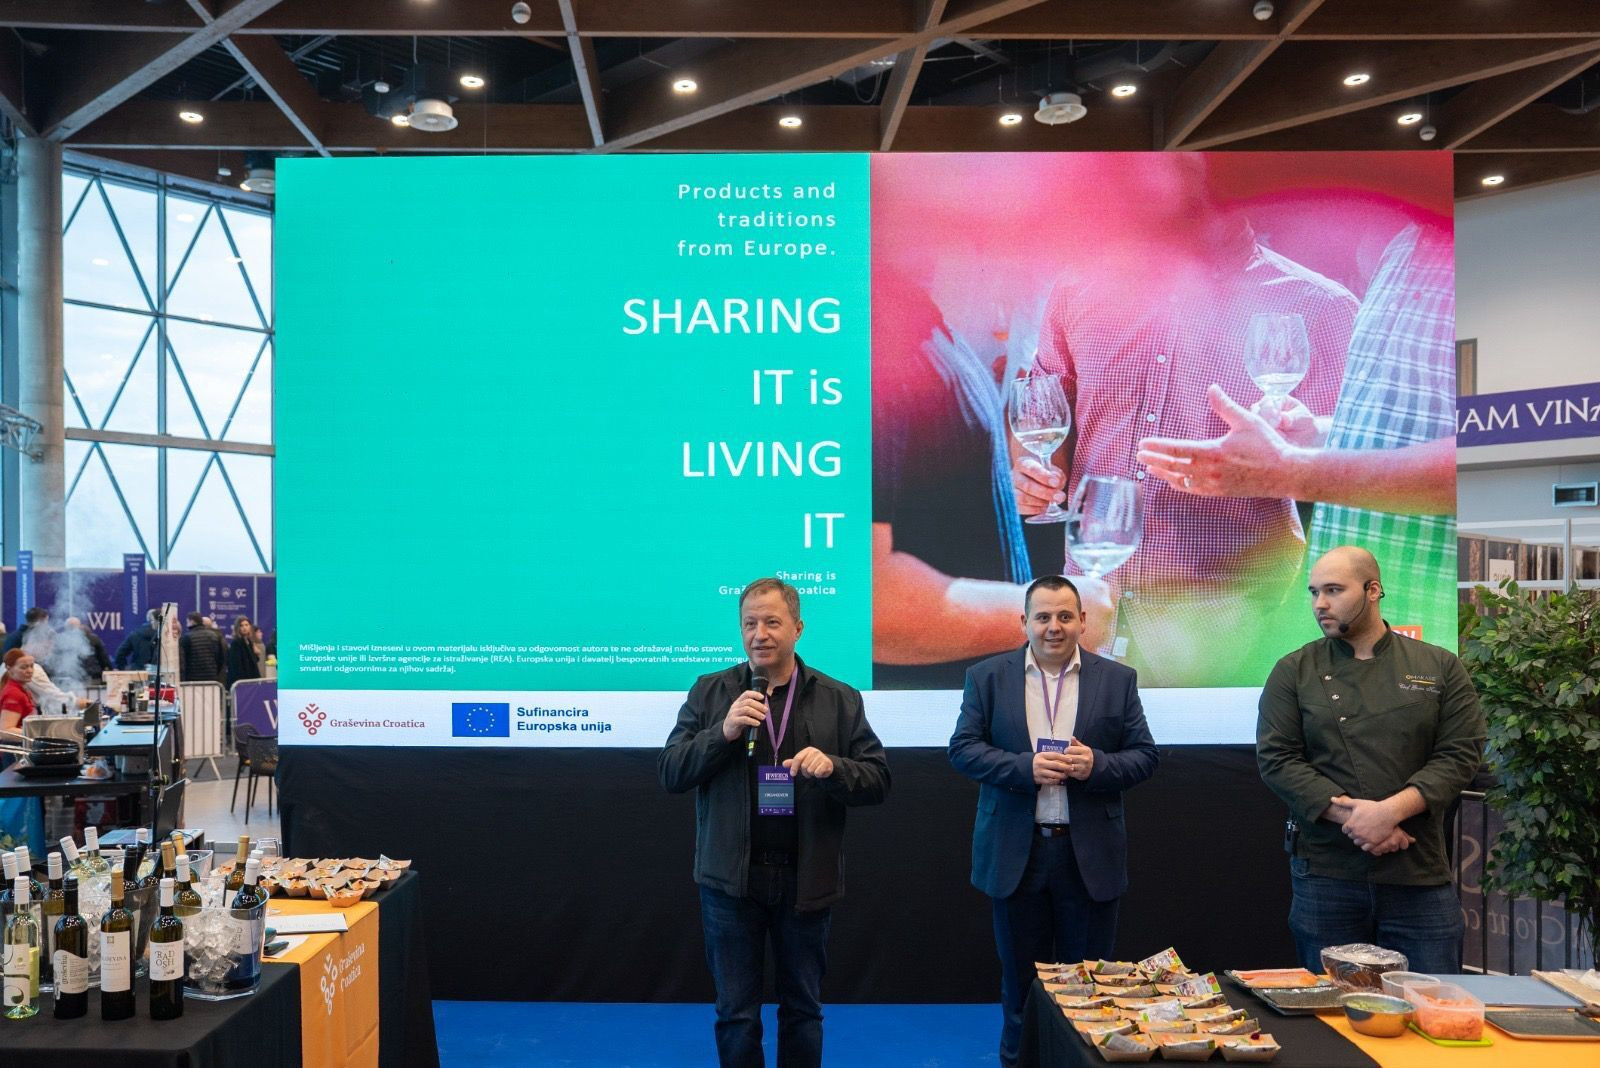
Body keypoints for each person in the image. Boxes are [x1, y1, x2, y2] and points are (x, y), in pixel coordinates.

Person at [1011, 155, 1357, 686]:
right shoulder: (1079, 287)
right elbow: (1044, 410)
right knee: (1083, 739)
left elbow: (1354, 460)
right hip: (1090, 598)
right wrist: (1033, 476)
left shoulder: (1318, 305)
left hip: (1228, 612)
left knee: (1213, 744)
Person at [1136, 223, 1458, 643]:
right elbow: (1403, 424)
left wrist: (1289, 470)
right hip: (1359, 616)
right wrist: (1317, 434)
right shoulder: (1404, 247)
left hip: (1430, 607)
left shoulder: (1471, 249)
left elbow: (1485, 457)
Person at [659, 578, 890, 1068]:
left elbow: (877, 780)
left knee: (803, 1010)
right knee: (736, 1014)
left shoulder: (839, 698)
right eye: (749, 623)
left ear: (798, 628)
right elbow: (672, 772)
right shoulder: (710, 691)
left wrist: (834, 768)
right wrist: (722, 732)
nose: (759, 634)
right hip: (731, 883)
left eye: (771, 622)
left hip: (805, 880)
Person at [950, 575, 1159, 1067]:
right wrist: (1024, 768)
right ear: (1023, 622)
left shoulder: (1117, 679)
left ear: (1083, 621)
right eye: (1043, 617)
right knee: (1021, 985)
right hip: (1017, 854)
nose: (1054, 627)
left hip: (1088, 856)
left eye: (1065, 616)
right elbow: (962, 749)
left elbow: (1145, 756)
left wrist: (1097, 766)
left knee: (1091, 986)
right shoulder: (987, 677)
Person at [1256, 546, 1485, 974]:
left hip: (1418, 871)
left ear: (1373, 590)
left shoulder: (1439, 665)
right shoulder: (1294, 670)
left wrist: (1389, 813)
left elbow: (1460, 753)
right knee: (1332, 1007)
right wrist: (1356, 818)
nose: (1320, 604)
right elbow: (1278, 759)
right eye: (1314, 592)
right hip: (1327, 874)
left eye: (1334, 590)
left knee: (1428, 1000)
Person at [55, 617, 113, 686]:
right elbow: (103, 658)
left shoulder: (61, 640)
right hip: (92, 676)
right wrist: (109, 669)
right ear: (79, 626)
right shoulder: (93, 638)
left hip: (72, 678)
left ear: (66, 627)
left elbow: (56, 661)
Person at [180, 611, 227, 686]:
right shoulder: (214, 636)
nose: (186, 624)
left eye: (187, 622)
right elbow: (220, 658)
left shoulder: (187, 637)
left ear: (192, 621)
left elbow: (183, 660)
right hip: (211, 677)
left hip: (193, 679)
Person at [0, 649, 38, 730]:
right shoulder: (14, 694)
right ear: (9, 668)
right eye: (23, 667)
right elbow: (6, 729)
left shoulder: (20, 690)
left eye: (31, 666)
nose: (30, 671)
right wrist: (36, 734)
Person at [226, 616, 262, 687]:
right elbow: (236, 665)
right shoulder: (236, 643)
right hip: (242, 681)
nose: (244, 628)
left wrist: (256, 654)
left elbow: (252, 661)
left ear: (250, 627)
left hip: (251, 680)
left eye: (246, 625)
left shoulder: (249, 641)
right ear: (238, 628)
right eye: (241, 625)